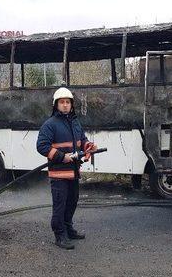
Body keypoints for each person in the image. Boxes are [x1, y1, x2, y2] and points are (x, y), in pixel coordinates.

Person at [36, 87, 97, 250]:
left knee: (72, 202)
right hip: (59, 174)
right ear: (56, 105)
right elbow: (42, 146)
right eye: (62, 102)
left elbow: (81, 140)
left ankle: (68, 229)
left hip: (74, 172)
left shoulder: (75, 122)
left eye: (68, 102)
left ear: (71, 105)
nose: (65, 105)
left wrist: (88, 145)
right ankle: (59, 235)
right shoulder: (50, 125)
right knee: (60, 205)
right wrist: (62, 157)